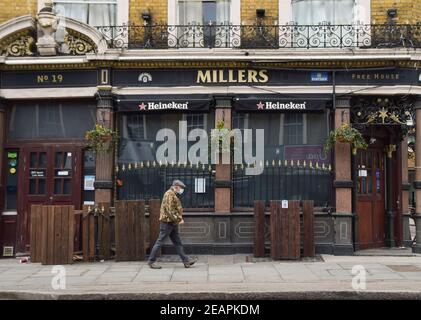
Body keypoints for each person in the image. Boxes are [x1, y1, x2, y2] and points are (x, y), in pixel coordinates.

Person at [148, 179, 197, 269]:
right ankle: (151, 261)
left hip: (172, 222)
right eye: (181, 188)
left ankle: (186, 261)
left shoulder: (172, 194)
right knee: (160, 242)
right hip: (167, 223)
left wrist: (176, 220)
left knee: (178, 243)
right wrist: (178, 219)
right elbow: (169, 210)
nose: (181, 190)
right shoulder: (169, 194)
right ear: (176, 187)